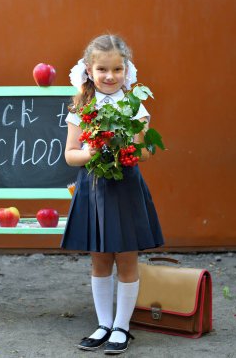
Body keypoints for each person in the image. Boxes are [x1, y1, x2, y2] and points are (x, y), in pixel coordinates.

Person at [61, 34, 164, 354]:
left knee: (127, 260)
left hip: (125, 186)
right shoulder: (82, 107)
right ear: (89, 71)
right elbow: (70, 155)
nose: (110, 76)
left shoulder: (134, 105)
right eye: (102, 69)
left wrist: (127, 149)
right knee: (100, 261)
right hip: (94, 188)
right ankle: (104, 323)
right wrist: (93, 152)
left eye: (117, 69)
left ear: (126, 70)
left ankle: (122, 326)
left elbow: (145, 153)